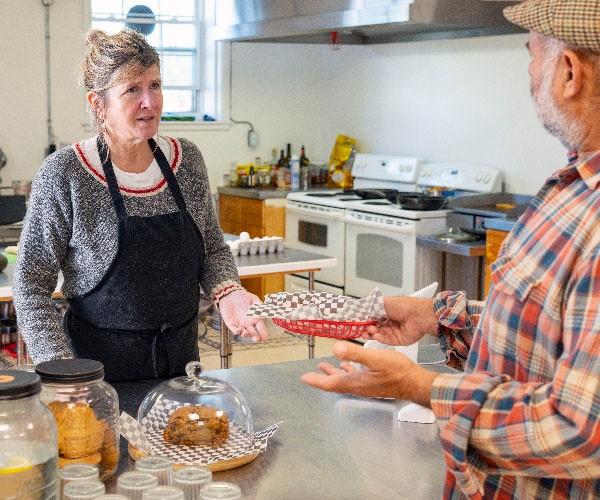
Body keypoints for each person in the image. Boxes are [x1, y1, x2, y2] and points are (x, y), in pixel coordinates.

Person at [302, 1, 600, 498]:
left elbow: (582, 428)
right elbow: (547, 334)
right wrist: (439, 317)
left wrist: (420, 386)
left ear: (569, 72)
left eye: (531, 55)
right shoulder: (573, 186)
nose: (528, 72)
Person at [13, 29, 267, 382]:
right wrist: (63, 370)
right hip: (94, 381)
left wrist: (229, 293)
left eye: (156, 85)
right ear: (98, 103)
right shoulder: (65, 173)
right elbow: (30, 284)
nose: (150, 101)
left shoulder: (187, 160)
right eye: (133, 89)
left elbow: (211, 250)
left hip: (181, 371)